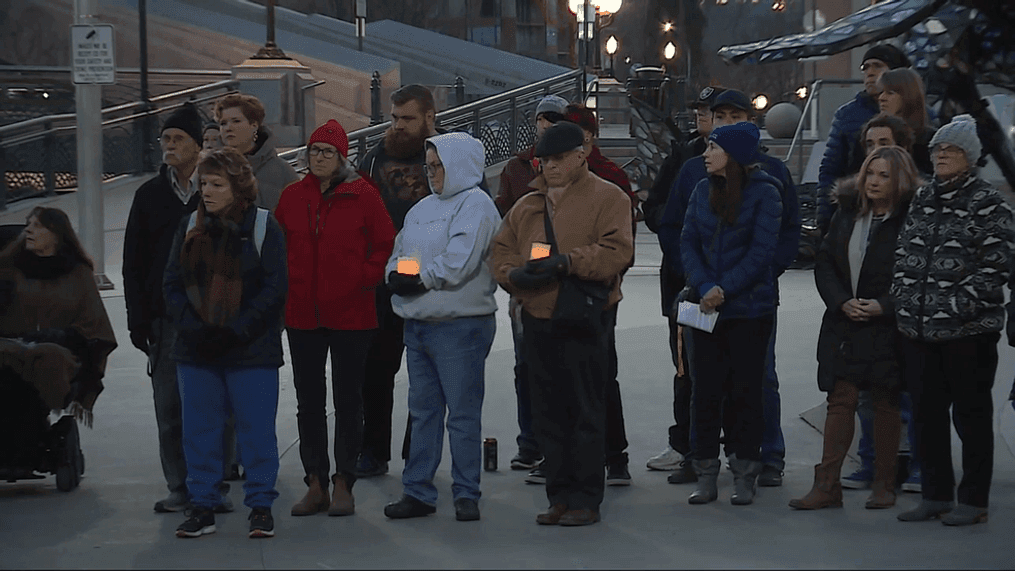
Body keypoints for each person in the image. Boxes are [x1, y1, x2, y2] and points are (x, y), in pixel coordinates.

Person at [488, 121, 633, 526]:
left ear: (580, 155)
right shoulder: (528, 204)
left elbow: (617, 250)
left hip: (585, 316)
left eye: (557, 158)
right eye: (544, 159)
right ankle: (559, 495)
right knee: (548, 411)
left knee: (585, 409)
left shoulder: (609, 197)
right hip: (537, 316)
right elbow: (500, 249)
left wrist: (568, 262)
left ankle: (586, 498)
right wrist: (513, 275)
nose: (549, 166)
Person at [657, 89, 799, 487]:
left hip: (750, 299)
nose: (726, 122)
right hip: (698, 298)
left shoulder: (771, 177)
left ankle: (763, 458)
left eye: (735, 115)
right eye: (719, 115)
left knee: (755, 381)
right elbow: (674, 229)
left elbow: (781, 236)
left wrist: (757, 276)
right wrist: (700, 281)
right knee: (695, 379)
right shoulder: (692, 173)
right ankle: (694, 456)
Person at [893, 115, 1015, 526]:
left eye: (952, 150)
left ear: (971, 157)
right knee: (927, 416)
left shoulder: (989, 203)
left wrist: (956, 305)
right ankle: (935, 494)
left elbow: (996, 265)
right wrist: (906, 299)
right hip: (919, 329)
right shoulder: (922, 199)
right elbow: (904, 253)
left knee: (971, 416)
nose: (942, 155)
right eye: (938, 150)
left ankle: (974, 500)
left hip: (969, 332)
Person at [163, 147, 288, 539]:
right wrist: (196, 328)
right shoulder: (188, 227)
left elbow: (275, 287)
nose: (208, 191)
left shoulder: (264, 226)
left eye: (217, 184)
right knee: (199, 431)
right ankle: (202, 505)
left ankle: (261, 506)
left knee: (256, 432)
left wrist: (236, 328)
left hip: (251, 350)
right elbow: (171, 285)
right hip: (197, 350)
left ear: (238, 186)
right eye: (203, 184)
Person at [275, 120, 396, 517]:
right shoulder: (293, 197)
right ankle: (315, 481)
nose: (319, 158)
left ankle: (344, 480)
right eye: (314, 151)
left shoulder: (363, 194)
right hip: (302, 315)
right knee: (308, 401)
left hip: (352, 313)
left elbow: (384, 243)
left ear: (342, 157)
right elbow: (278, 247)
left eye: (327, 152)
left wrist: (365, 278)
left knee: (349, 400)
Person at [789, 146, 920, 511]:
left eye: (884, 176)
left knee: (884, 404)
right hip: (843, 322)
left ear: (900, 181)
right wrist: (841, 301)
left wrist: (884, 306)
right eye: (871, 174)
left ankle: (884, 484)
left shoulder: (911, 218)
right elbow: (826, 262)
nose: (874, 182)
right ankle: (827, 485)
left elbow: (914, 273)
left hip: (887, 325)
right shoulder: (848, 212)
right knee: (840, 400)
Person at [382, 132, 501, 522]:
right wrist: (395, 276)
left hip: (460, 326)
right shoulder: (421, 209)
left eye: (439, 166)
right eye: (429, 166)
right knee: (423, 412)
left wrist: (418, 279)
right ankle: (418, 490)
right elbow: (401, 252)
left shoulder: (477, 205)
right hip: (417, 323)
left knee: (462, 415)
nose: (432, 173)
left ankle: (466, 491)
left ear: (460, 165)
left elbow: (459, 261)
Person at [679, 121, 782, 506]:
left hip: (749, 311)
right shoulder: (701, 190)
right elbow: (687, 242)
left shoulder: (765, 194)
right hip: (704, 308)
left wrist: (726, 289)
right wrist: (705, 287)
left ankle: (744, 472)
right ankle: (705, 471)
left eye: (714, 148)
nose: (706, 154)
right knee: (703, 392)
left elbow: (762, 252)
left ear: (734, 156)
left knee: (745, 393)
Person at [123, 103, 207, 513]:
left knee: (212, 406)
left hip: (210, 314)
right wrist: (138, 319)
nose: (169, 146)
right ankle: (179, 486)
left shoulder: (215, 189)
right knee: (169, 406)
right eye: (165, 140)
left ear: (197, 145)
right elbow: (132, 262)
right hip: (164, 318)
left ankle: (211, 484)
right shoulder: (149, 196)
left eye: (177, 139)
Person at [355, 84, 442, 478]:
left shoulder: (447, 157)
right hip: (384, 283)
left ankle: (416, 455)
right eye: (394, 118)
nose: (399, 126)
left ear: (428, 117)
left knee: (426, 377)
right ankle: (373, 451)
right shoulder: (374, 160)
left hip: (434, 280)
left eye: (408, 118)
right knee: (376, 371)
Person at [643, 85, 726, 473]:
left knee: (742, 373)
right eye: (699, 112)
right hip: (684, 284)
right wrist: (684, 255)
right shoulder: (685, 157)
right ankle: (685, 445)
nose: (701, 119)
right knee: (686, 366)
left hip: (732, 289)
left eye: (709, 112)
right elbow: (656, 209)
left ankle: (747, 453)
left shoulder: (751, 166)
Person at [0, 207, 117, 465]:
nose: (28, 229)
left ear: (57, 235)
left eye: (38, 225)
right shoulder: (9, 269)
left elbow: (95, 325)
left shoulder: (78, 274)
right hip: (10, 346)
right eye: (28, 224)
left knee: (47, 358)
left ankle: (30, 448)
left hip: (57, 350)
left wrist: (64, 335)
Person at [559, 102, 636, 487]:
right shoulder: (548, 183)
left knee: (601, 375)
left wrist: (601, 278)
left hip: (599, 295)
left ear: (590, 141)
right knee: (558, 378)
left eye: (579, 137)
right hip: (553, 295)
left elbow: (622, 247)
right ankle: (560, 455)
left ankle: (614, 454)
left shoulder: (611, 182)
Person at [494, 94, 568, 473]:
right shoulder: (517, 168)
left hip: (566, 282)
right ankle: (530, 442)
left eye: (556, 118)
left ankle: (561, 448)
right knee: (526, 365)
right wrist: (513, 273)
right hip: (527, 282)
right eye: (544, 118)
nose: (548, 124)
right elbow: (505, 222)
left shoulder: (577, 167)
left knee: (563, 368)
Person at [816, 43, 911, 235]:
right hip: (857, 208)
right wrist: (825, 219)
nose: (870, 72)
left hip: (904, 210)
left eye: (877, 66)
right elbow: (831, 169)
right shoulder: (847, 115)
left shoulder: (918, 114)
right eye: (865, 67)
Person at [215, 93, 298, 212]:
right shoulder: (211, 167)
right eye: (223, 123)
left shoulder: (283, 172)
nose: (228, 128)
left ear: (254, 125)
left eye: (236, 121)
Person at [876, 68, 934, 174]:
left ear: (907, 96)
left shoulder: (930, 140)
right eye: (881, 92)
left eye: (890, 93)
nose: (881, 98)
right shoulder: (870, 135)